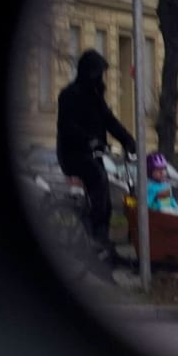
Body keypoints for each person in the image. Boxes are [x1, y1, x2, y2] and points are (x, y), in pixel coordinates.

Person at [55, 49, 136, 268]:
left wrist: (128, 140)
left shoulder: (95, 97)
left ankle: (103, 243)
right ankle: (95, 238)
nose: (101, 78)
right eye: (98, 73)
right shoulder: (69, 95)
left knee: (105, 197)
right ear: (89, 73)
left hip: (92, 153)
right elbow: (67, 126)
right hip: (73, 154)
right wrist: (89, 140)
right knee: (98, 179)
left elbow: (110, 121)